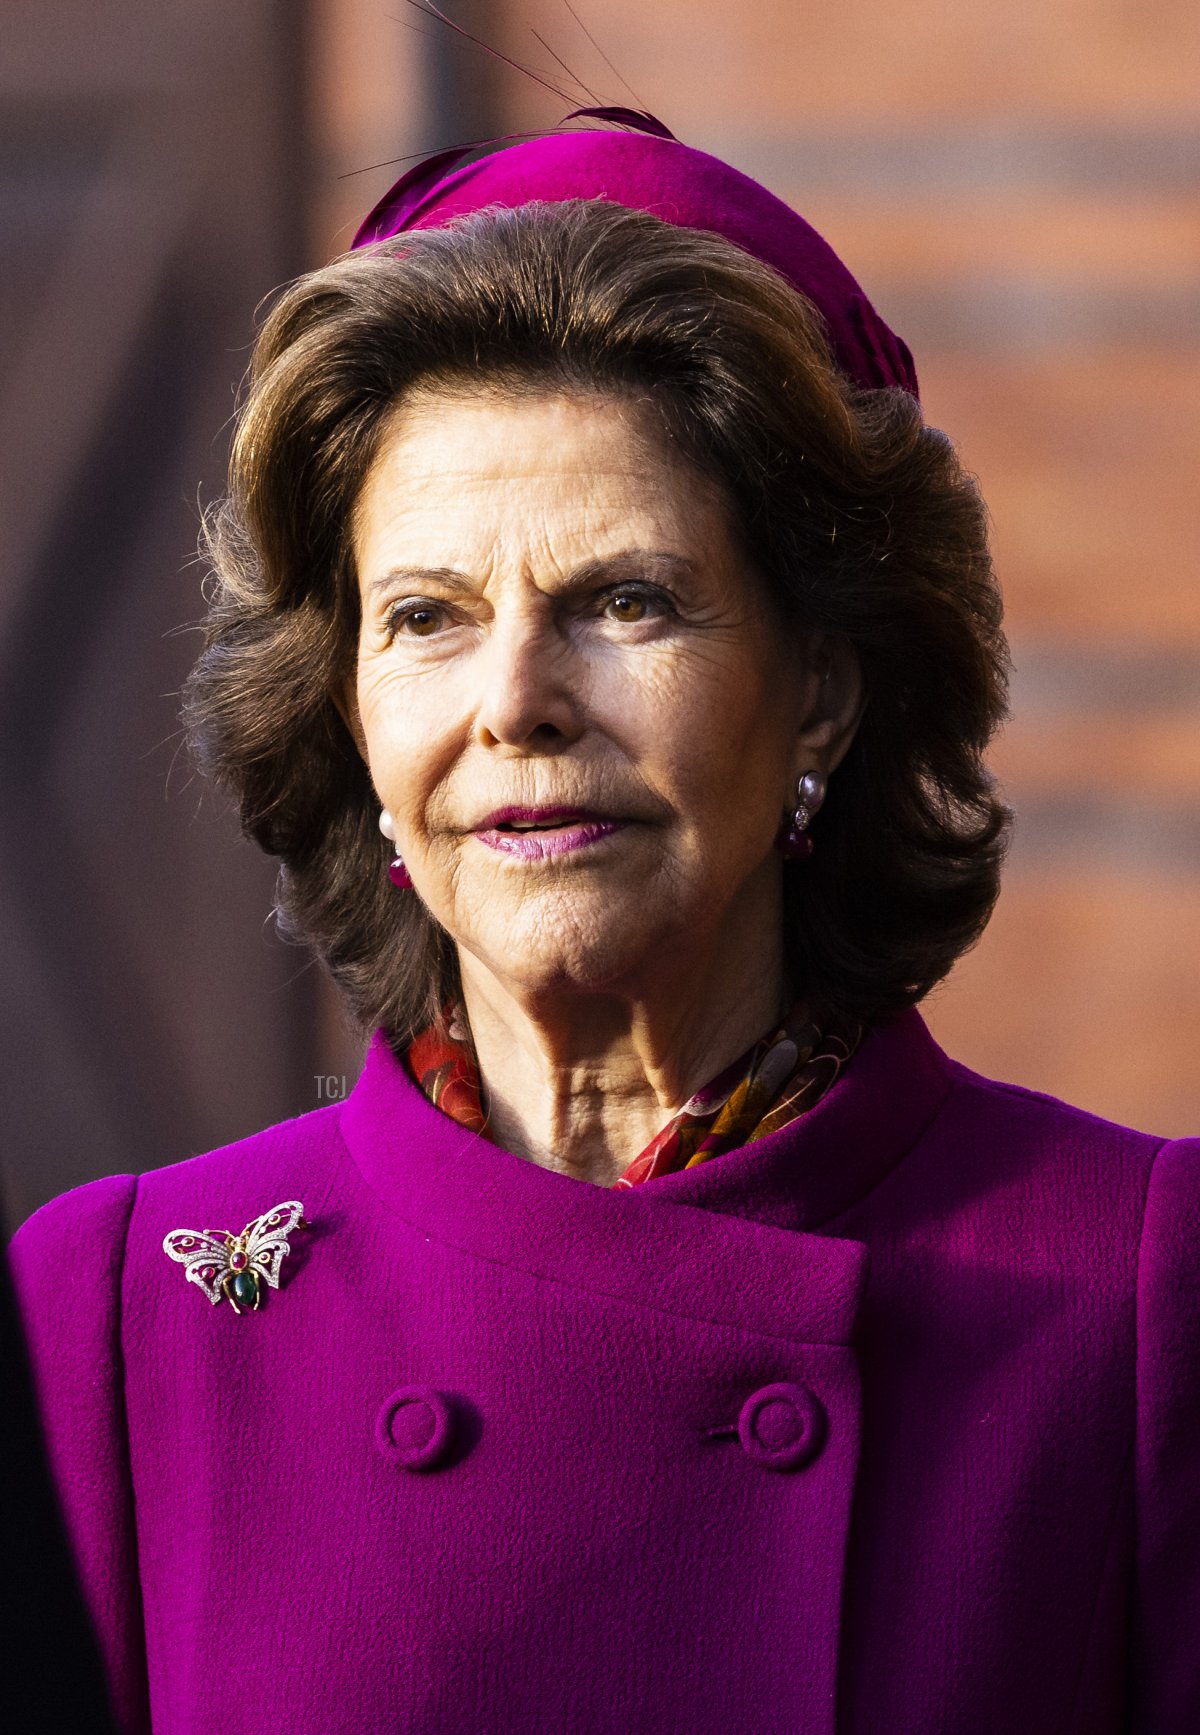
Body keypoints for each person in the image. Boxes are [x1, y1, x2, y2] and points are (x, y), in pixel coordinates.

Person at [9, 118, 1199, 1734]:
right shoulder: (116, 1317)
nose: (515, 705)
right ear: (349, 713)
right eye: (426, 617)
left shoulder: (1135, 1288)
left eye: (624, 602)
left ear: (826, 694)